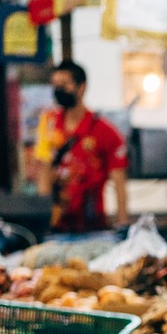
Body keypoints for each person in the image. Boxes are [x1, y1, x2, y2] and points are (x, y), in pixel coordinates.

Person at [34, 60, 129, 234]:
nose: (58, 90)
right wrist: (42, 220)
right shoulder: (49, 124)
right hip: (57, 224)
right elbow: (44, 175)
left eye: (64, 85)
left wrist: (123, 224)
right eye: (55, 85)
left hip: (93, 225)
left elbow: (119, 183)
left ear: (81, 87)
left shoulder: (105, 131)